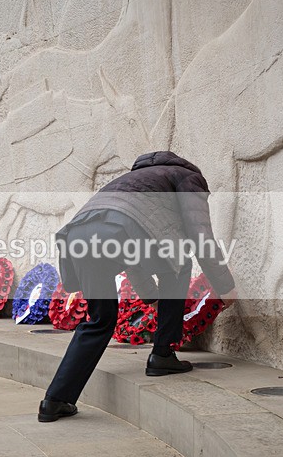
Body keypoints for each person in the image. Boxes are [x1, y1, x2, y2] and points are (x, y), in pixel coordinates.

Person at [38, 151, 237, 422]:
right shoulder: (188, 177)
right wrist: (224, 286)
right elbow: (199, 235)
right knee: (180, 263)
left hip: (77, 237)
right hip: (121, 233)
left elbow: (130, 252)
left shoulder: (129, 179)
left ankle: (55, 400)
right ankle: (163, 354)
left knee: (100, 320)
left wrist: (150, 296)